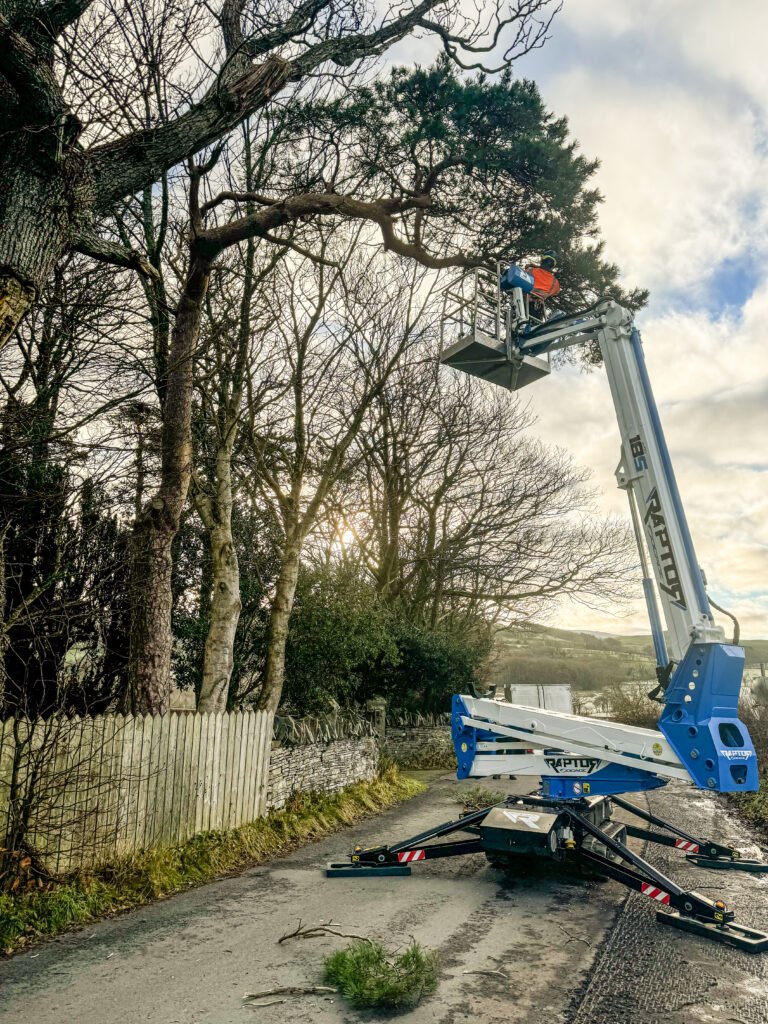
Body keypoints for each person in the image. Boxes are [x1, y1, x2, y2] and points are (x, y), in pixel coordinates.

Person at [525, 250, 560, 320]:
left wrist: (533, 266)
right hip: (538, 309)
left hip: (523, 303)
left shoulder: (531, 270)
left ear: (542, 260)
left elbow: (520, 278)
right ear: (553, 265)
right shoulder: (555, 282)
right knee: (535, 327)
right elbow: (556, 292)